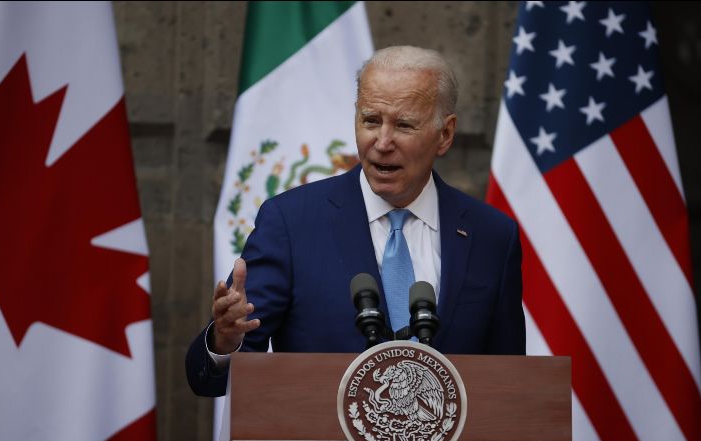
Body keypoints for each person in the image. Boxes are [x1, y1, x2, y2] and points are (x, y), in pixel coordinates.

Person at [186, 46, 525, 397]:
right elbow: (213, 380)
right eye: (371, 120)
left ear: (445, 134)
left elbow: (509, 384)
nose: (381, 142)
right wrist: (225, 342)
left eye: (404, 125)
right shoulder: (291, 223)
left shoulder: (492, 236)